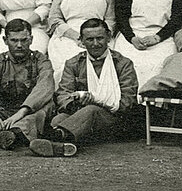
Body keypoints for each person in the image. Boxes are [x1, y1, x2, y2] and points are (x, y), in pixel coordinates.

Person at [34, 18, 138, 157]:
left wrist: (96, 100)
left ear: (108, 37)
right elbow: (63, 94)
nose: (95, 44)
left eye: (100, 38)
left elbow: (127, 101)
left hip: (113, 120)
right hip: (81, 116)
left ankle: (54, 138)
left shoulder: (123, 64)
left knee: (91, 110)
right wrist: (74, 102)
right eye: (89, 39)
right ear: (81, 40)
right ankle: (64, 146)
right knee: (58, 120)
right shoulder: (73, 63)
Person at [0, 19, 55, 150]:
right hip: (2, 112)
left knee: (44, 108)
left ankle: (10, 135)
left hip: (25, 113)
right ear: (5, 40)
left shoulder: (41, 61)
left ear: (31, 39)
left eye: (24, 40)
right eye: (14, 40)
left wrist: (21, 113)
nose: (19, 45)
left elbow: (44, 87)